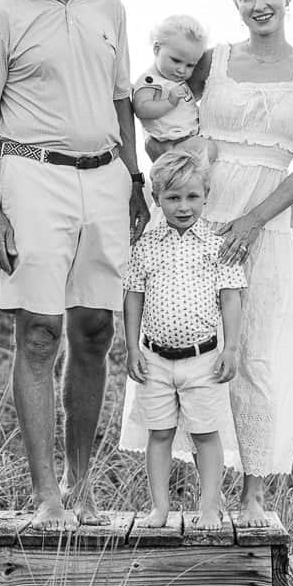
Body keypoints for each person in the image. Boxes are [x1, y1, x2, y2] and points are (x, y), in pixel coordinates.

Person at [0, 0, 149, 527]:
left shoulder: (110, 8)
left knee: (95, 330)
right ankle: (45, 498)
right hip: (32, 178)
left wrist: (136, 178)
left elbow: (122, 99)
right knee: (39, 332)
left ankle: (81, 485)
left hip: (105, 180)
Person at [118, 0, 293, 526]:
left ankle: (253, 493)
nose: (258, 4)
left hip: (265, 217)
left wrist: (253, 221)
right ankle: (183, 494)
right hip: (197, 207)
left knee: (258, 349)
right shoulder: (212, 60)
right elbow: (156, 98)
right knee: (178, 330)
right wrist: (160, 157)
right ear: (234, 4)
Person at [122, 151, 246, 529]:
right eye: (173, 198)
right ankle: (159, 509)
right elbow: (133, 295)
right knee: (158, 434)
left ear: (206, 195)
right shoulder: (145, 244)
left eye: (192, 196)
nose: (183, 206)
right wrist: (131, 347)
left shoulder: (216, 243)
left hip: (203, 357)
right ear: (157, 198)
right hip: (155, 357)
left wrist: (231, 347)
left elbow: (231, 296)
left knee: (206, 434)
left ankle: (209, 506)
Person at [131, 14, 209, 160]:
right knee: (209, 150)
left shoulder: (175, 79)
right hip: (171, 141)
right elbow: (141, 108)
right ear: (156, 49)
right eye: (176, 60)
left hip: (188, 136)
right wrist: (170, 101)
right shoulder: (150, 81)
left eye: (190, 65)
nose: (182, 70)